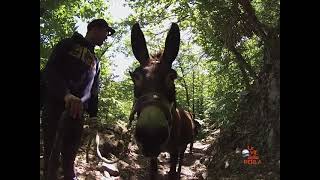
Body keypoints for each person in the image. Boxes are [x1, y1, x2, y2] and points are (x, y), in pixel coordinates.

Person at [41, 19, 115, 180]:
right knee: (51, 156)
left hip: (77, 114)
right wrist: (66, 94)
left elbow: (93, 90)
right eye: (106, 32)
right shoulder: (68, 44)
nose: (106, 37)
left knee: (69, 158)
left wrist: (93, 115)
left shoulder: (96, 61)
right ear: (95, 29)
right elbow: (49, 72)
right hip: (55, 106)